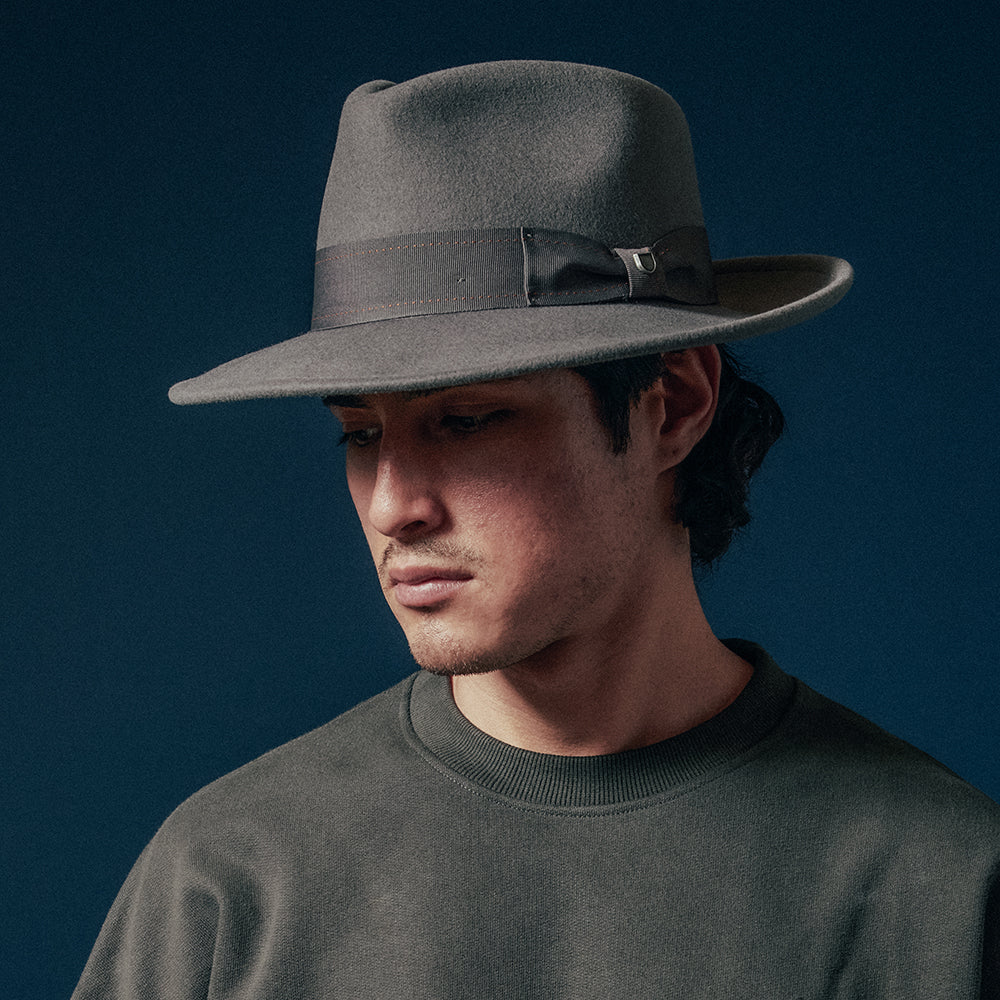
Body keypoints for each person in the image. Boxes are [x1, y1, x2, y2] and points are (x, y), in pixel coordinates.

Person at [74, 60, 999, 999]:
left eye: (466, 421)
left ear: (674, 405)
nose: (393, 507)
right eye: (359, 433)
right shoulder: (228, 882)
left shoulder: (942, 888)